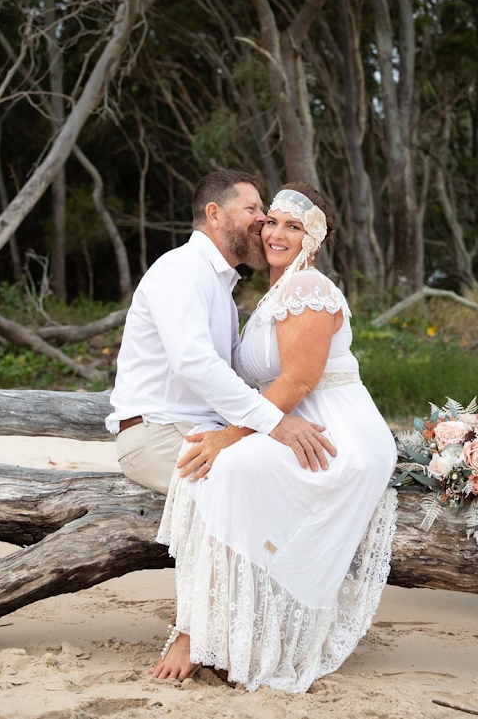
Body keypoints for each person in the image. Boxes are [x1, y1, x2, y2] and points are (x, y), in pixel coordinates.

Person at [152, 182, 398, 693]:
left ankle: (203, 632)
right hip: (295, 423)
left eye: (294, 226)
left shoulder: (309, 288)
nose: (277, 233)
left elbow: (298, 382)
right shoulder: (275, 292)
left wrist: (230, 437)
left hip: (335, 433)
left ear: (314, 237)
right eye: (272, 222)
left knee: (228, 468)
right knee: (217, 471)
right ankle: (216, 632)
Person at [106, 170, 338, 495]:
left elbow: (234, 376)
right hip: (158, 433)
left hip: (189, 429)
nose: (262, 219)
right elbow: (195, 362)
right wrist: (274, 421)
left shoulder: (219, 285)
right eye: (252, 210)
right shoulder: (183, 269)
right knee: (264, 490)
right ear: (214, 214)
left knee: (298, 474)